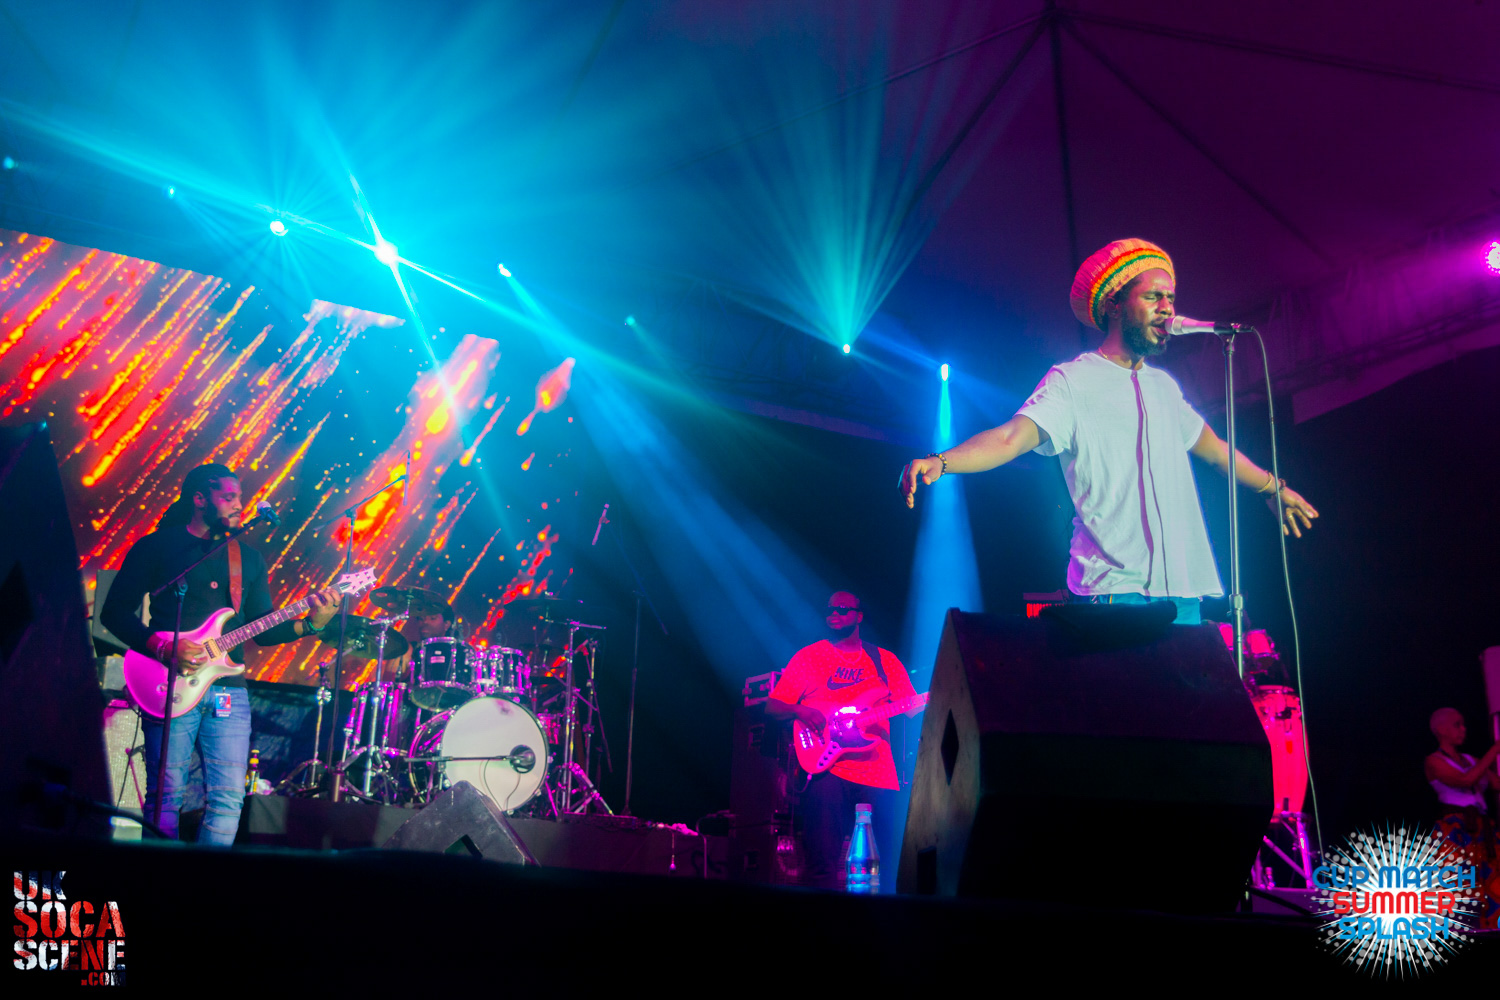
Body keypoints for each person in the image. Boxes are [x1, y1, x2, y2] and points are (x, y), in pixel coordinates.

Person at [899, 238, 1320, 623]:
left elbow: (1214, 450)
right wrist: (942, 461)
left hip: (1183, 594)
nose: (1167, 308)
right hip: (1116, 594)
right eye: (1153, 296)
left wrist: (1274, 488)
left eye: (1171, 298)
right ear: (1114, 305)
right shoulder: (1072, 380)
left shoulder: (1164, 387)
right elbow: (1011, 438)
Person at [102, 464, 340, 843]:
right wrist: (163, 646)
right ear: (200, 499)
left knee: (229, 800)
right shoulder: (157, 546)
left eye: (239, 498)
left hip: (229, 690)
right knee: (166, 797)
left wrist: (311, 624)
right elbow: (113, 612)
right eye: (229, 497)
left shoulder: (248, 559)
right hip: (169, 684)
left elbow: (263, 629)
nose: (239, 505)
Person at [765, 592, 920, 890]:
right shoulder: (810, 656)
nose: (834, 613)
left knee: (890, 863)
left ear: (859, 616)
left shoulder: (885, 661)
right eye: (830, 610)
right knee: (821, 863)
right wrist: (801, 710)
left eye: (842, 608)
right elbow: (772, 707)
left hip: (878, 774)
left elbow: (912, 708)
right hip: (828, 769)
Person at [1425, 707, 1500, 930]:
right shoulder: (1433, 761)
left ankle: (1492, 927)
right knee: (1460, 885)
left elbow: (1496, 784)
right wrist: (1494, 750)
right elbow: (1465, 780)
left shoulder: (1470, 759)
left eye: (1463, 724)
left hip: (1482, 827)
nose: (1463, 729)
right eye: (1457, 724)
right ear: (1440, 729)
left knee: (1493, 882)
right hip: (1455, 828)